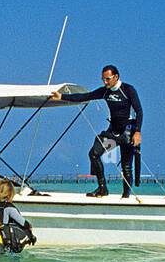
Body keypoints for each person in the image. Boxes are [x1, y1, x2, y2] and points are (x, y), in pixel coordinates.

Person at [51, 65, 143, 197]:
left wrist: (138, 132)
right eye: (103, 79)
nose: (105, 82)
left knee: (126, 167)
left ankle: (125, 196)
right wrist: (61, 96)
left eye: (107, 79)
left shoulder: (128, 90)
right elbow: (85, 96)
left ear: (116, 77)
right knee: (94, 154)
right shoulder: (105, 91)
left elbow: (139, 111)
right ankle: (102, 189)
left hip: (127, 134)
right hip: (113, 134)